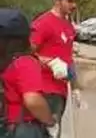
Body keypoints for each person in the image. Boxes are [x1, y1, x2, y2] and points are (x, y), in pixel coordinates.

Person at [29, 0, 84, 137]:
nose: (74, 5)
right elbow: (24, 53)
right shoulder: (43, 24)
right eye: (69, 1)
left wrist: (75, 87)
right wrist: (50, 62)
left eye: (75, 1)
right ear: (57, 0)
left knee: (55, 132)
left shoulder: (68, 26)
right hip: (44, 90)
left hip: (60, 91)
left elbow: (68, 58)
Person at [0, 9, 58, 137]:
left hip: (6, 125)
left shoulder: (5, 61)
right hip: (24, 128)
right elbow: (32, 100)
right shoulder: (25, 63)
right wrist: (50, 121)